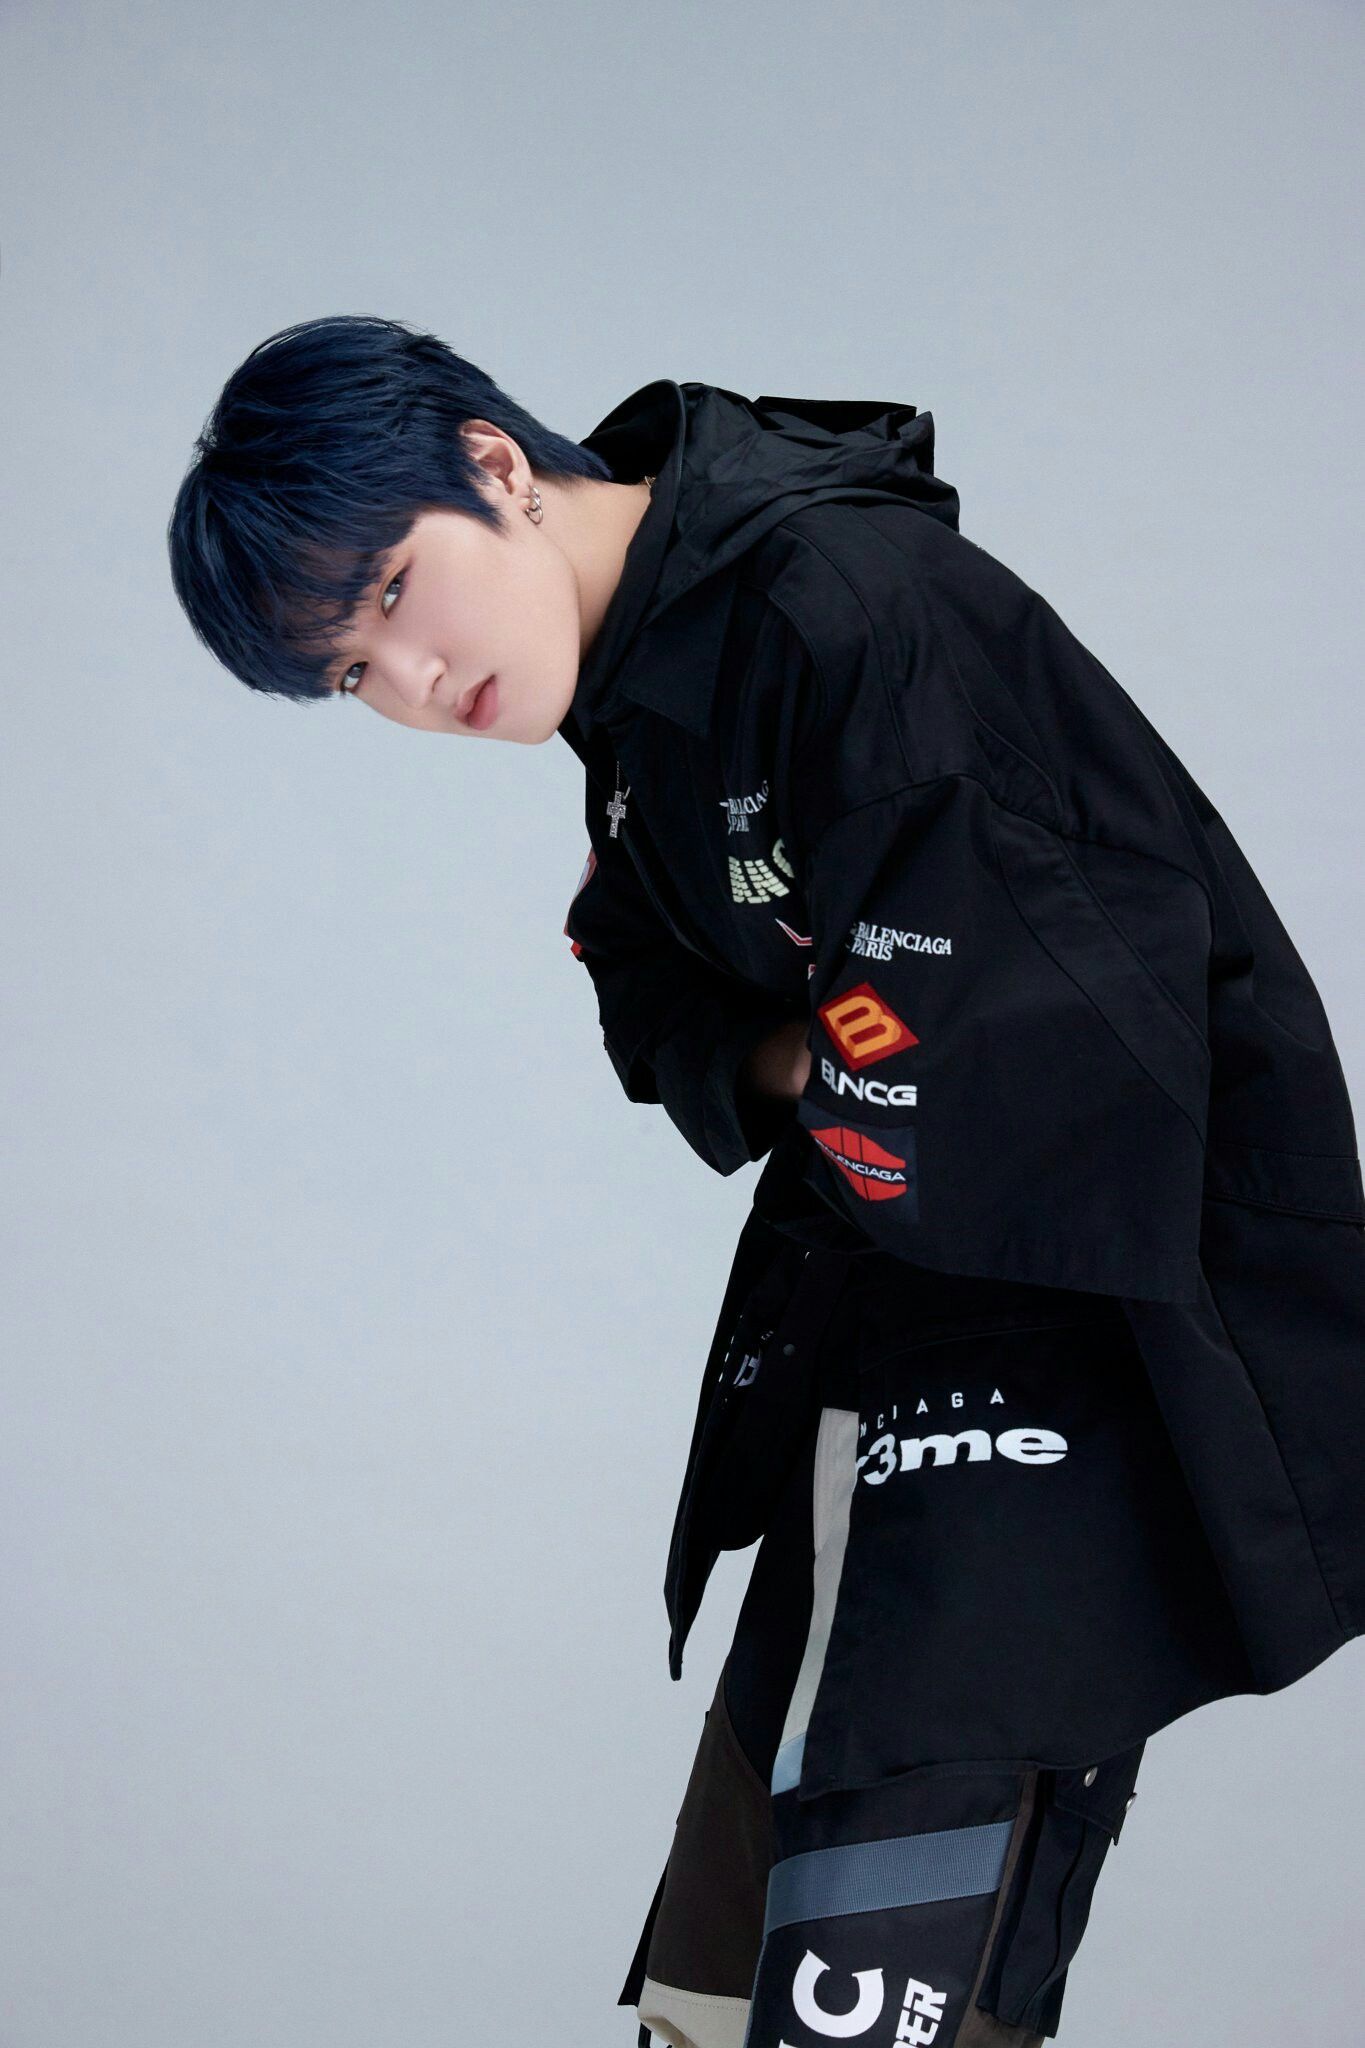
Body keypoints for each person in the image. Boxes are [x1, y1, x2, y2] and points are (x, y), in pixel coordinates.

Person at [168, 316, 1365, 2046]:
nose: (416, 681)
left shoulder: (844, 606)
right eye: (354, 675)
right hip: (880, 1299)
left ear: (492, 465)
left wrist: (831, 1042)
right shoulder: (640, 702)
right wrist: (811, 1050)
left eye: (396, 593)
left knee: (882, 1965)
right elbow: (640, 981)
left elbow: (1030, 1007)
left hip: (1094, 1310)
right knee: (713, 1984)